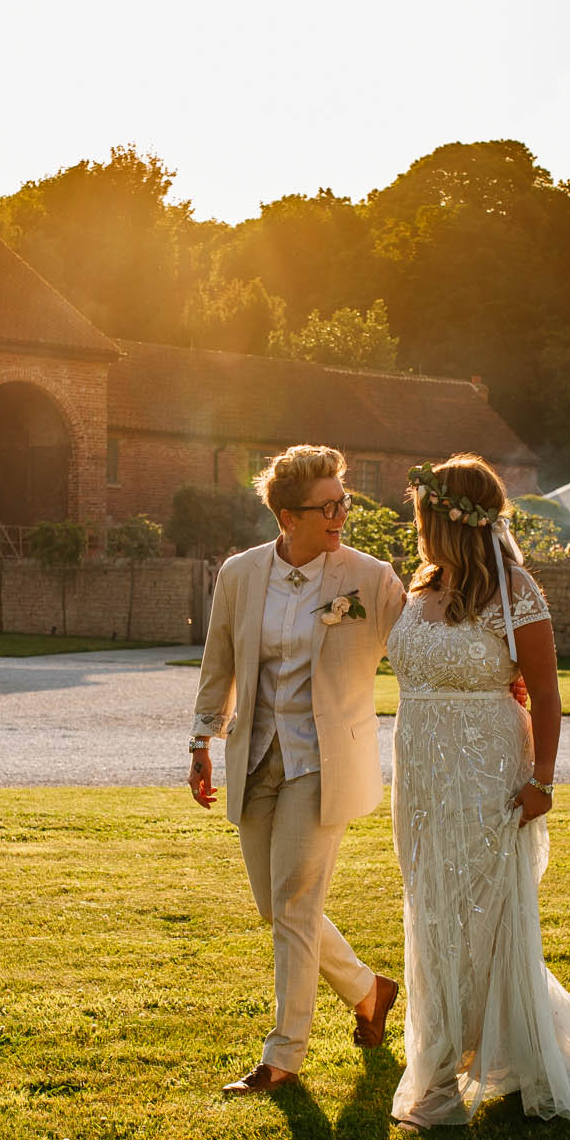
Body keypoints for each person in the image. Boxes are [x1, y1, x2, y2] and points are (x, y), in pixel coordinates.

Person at [385, 454, 570, 1129]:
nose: (419, 526)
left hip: (487, 768)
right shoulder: (422, 583)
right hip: (422, 773)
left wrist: (542, 780)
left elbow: (546, 692)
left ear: (450, 516)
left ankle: (438, 1072)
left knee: (481, 913)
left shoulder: (513, 588)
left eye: (424, 514)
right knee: (431, 906)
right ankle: (454, 1045)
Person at [188, 445, 408, 1095]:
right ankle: (370, 991)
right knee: (278, 905)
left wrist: (491, 674)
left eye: (345, 501)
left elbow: (419, 643)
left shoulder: (369, 576)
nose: (342, 514)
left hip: (325, 761)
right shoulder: (240, 573)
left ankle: (283, 1054)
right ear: (287, 515)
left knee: (292, 903)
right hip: (256, 754)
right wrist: (201, 739)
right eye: (328, 506)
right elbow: (219, 661)